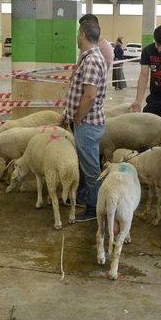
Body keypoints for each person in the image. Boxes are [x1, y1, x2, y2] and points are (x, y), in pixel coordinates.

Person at [63, 20, 108, 222]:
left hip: (87, 123)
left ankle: (94, 209)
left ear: (82, 35)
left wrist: (78, 118)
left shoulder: (91, 61)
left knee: (91, 170)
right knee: (88, 165)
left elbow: (89, 95)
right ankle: (87, 198)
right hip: (87, 122)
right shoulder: (90, 58)